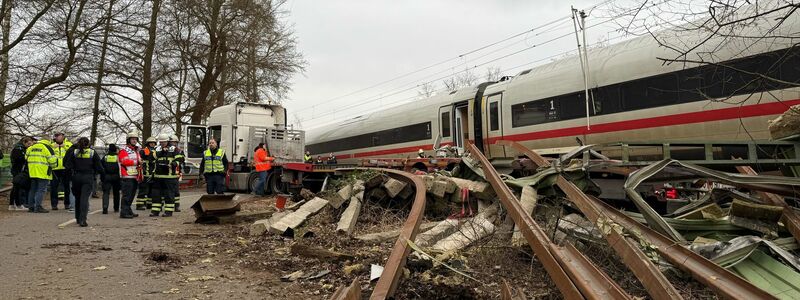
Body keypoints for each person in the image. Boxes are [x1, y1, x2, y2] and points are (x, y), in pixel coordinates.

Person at [64, 137, 103, 227]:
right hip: (88, 177)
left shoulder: (74, 152)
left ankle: (78, 218)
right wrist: (101, 175)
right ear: (88, 144)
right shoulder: (92, 152)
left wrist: (69, 176)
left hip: (76, 177)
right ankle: (83, 220)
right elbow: (99, 167)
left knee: (78, 198)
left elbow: (67, 165)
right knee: (84, 198)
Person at [26, 137, 57, 213]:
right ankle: (38, 207)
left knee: (33, 189)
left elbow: (26, 157)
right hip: (43, 172)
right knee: (41, 190)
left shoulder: (31, 147)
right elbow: (52, 160)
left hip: (32, 172)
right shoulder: (47, 148)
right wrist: (54, 166)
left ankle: (31, 207)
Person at [151, 134, 179, 217]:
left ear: (168, 141)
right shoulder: (157, 148)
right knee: (156, 195)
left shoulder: (174, 149)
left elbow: (180, 159)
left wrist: (174, 164)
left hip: (169, 177)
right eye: (161, 142)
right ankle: (155, 211)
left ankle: (168, 211)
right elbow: (152, 158)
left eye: (164, 142)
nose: (162, 143)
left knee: (169, 195)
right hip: (158, 176)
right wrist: (162, 152)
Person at [47, 133, 74, 211]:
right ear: (55, 138)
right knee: (54, 187)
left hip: (65, 168)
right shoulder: (51, 145)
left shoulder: (68, 144)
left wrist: (64, 146)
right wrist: (53, 147)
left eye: (61, 137)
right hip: (54, 169)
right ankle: (54, 205)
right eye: (58, 137)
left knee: (67, 187)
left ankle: (67, 204)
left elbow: (71, 152)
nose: (59, 138)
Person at [118, 131, 141, 219]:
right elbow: (124, 161)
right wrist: (137, 162)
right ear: (128, 140)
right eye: (132, 139)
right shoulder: (124, 150)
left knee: (132, 195)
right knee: (127, 195)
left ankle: (128, 210)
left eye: (135, 139)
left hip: (135, 176)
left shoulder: (136, 150)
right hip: (127, 176)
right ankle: (124, 212)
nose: (134, 141)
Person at [9, 137, 34, 211]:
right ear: (24, 142)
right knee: (17, 188)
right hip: (17, 170)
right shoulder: (18, 149)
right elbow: (17, 159)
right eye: (28, 144)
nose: (30, 145)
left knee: (16, 187)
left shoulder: (23, 149)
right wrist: (25, 158)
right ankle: (17, 204)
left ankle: (13, 204)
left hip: (20, 170)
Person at [135, 137, 157, 210]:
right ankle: (139, 205)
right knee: (143, 190)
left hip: (153, 174)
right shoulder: (144, 151)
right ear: (147, 144)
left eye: (153, 143)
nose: (152, 144)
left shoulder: (155, 151)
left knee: (151, 191)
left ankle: (149, 204)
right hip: (145, 174)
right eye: (151, 143)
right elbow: (146, 158)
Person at [101, 144, 121, 214]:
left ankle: (105, 207)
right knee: (116, 193)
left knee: (106, 192)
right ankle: (116, 208)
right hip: (116, 177)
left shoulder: (105, 157)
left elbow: (101, 166)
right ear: (115, 149)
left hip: (107, 177)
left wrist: (102, 176)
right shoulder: (118, 157)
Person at [168, 135, 184, 212]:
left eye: (175, 142)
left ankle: (176, 206)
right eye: (172, 142)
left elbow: (182, 160)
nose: (173, 144)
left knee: (176, 191)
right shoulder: (167, 150)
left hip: (177, 173)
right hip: (168, 173)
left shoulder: (180, 151)